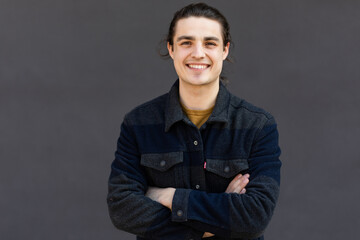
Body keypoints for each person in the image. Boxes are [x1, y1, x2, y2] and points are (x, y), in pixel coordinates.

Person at [107, 3, 281, 240]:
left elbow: (254, 217)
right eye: (186, 42)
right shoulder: (138, 123)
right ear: (171, 49)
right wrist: (214, 224)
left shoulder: (258, 126)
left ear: (225, 50)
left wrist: (168, 197)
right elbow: (122, 209)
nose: (198, 53)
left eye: (210, 43)